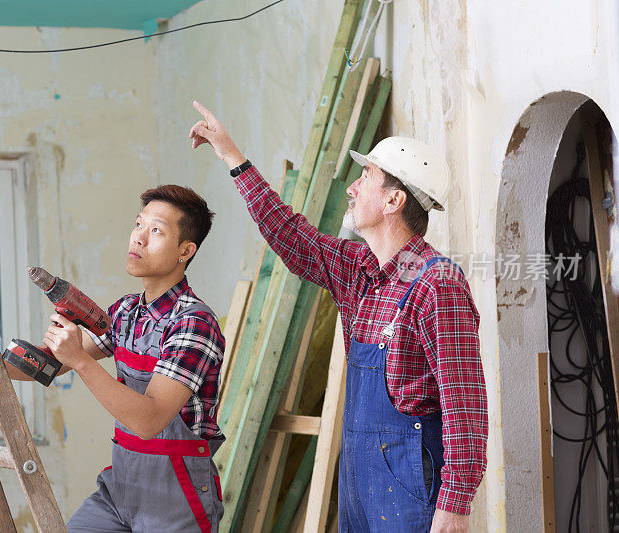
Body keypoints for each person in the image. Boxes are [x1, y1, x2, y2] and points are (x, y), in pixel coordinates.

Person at [188, 101, 487, 532]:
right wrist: (231, 154)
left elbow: (466, 406)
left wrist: (455, 507)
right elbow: (290, 235)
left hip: (413, 486)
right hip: (360, 479)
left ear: (393, 199)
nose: (351, 187)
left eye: (365, 177)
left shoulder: (438, 284)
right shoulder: (355, 269)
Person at [0, 185, 225, 533]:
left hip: (177, 498)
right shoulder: (125, 312)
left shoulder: (194, 323)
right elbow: (49, 366)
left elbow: (150, 420)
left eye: (156, 231)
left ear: (186, 250)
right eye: (138, 224)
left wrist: (81, 360)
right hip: (121, 490)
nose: (138, 238)